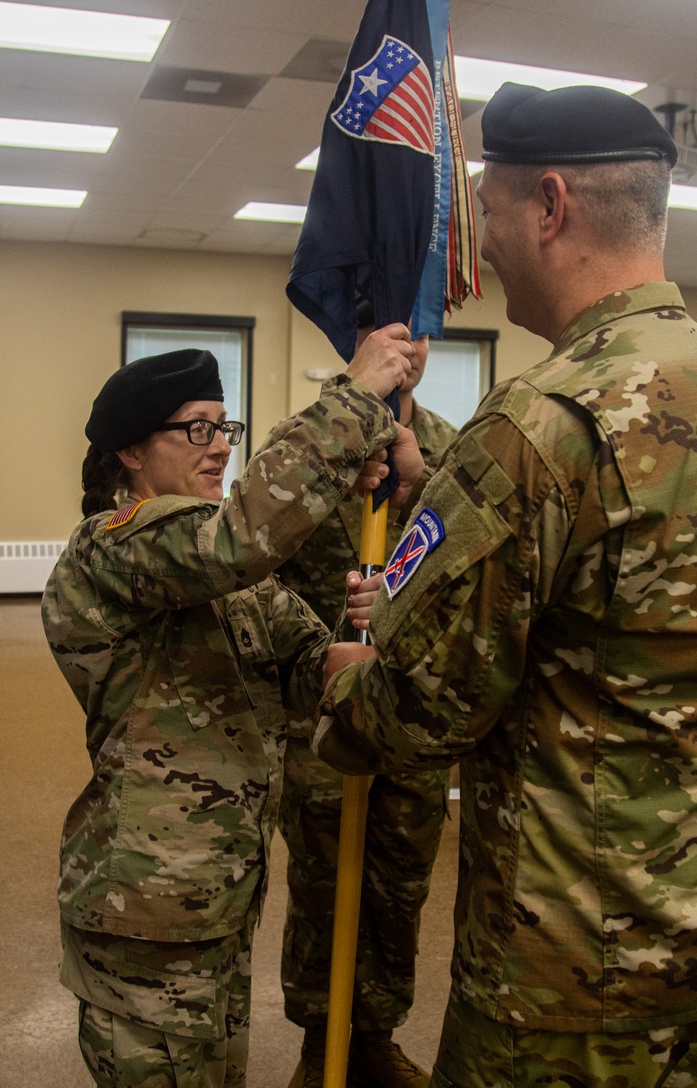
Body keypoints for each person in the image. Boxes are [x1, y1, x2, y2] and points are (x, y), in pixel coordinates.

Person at [317, 82, 697, 1088]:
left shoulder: (540, 419)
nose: (483, 248)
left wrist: (342, 683)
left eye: (488, 212)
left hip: (574, 977)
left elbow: (423, 708)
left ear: (549, 206)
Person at [42, 333, 417, 1088]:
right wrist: (351, 399)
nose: (218, 448)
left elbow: (307, 666)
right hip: (144, 911)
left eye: (225, 427)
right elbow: (236, 540)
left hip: (217, 901)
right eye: (195, 430)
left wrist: (357, 642)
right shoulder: (113, 549)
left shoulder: (238, 582)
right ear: (130, 454)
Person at [274, 307, 457, 1088]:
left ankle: (375, 1033)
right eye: (387, 333)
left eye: (416, 334)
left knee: (398, 882)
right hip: (323, 713)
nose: (405, 351)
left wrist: (420, 482)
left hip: (411, 715)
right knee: (320, 882)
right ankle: (322, 1041)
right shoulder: (309, 443)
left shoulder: (456, 452)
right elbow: (261, 557)